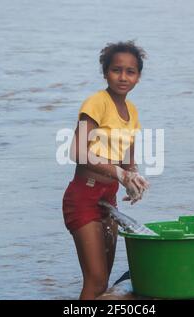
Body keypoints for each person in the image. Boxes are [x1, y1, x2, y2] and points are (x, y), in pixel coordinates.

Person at [62, 41, 150, 299]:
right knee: (95, 280)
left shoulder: (132, 111)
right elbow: (77, 152)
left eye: (130, 71)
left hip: (108, 200)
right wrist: (119, 174)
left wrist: (132, 180)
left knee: (104, 283)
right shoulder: (96, 103)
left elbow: (127, 161)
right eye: (116, 70)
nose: (123, 77)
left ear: (138, 77)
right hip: (83, 198)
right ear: (105, 73)